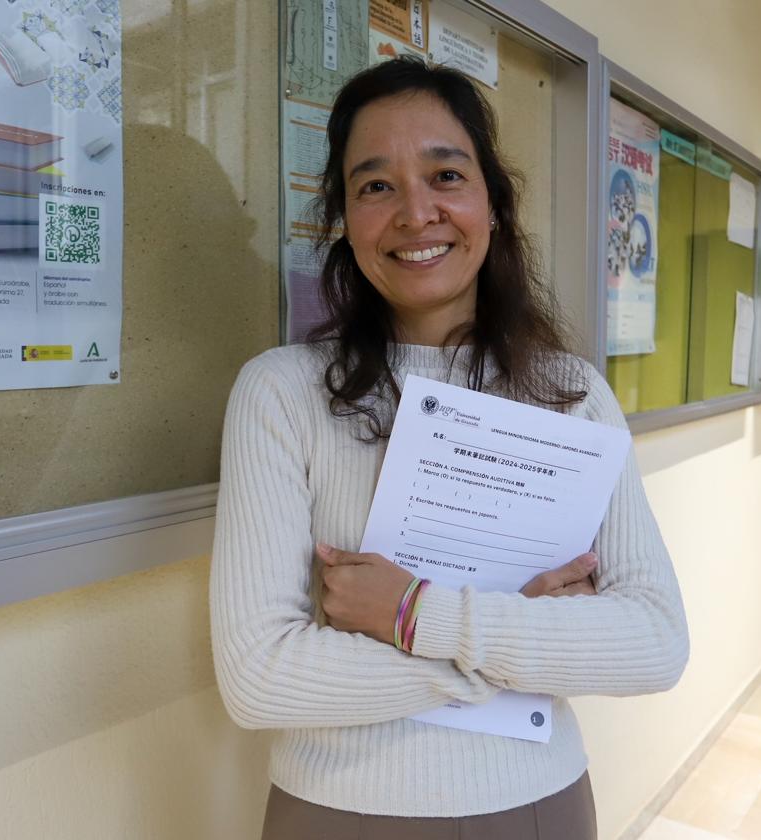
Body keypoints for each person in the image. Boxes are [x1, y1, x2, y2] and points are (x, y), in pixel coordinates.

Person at [211, 56, 689, 839]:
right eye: (375, 186)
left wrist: (411, 613)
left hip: (537, 804)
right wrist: (512, 638)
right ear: (345, 220)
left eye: (445, 175)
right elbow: (261, 680)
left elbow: (653, 643)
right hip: (338, 813)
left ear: (493, 203)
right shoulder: (279, 393)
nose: (415, 211)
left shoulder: (571, 395)